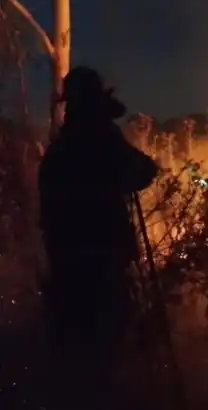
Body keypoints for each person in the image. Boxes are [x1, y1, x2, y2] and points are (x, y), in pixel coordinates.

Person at [38, 66, 158, 409]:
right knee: (101, 353)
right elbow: (144, 170)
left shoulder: (59, 152)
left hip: (65, 268)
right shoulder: (103, 141)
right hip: (103, 265)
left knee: (70, 357)